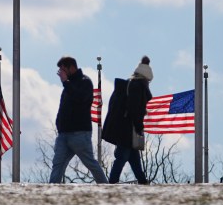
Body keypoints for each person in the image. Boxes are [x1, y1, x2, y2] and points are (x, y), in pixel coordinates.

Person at [48, 56, 109, 184]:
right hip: (64, 134)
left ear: (71, 67)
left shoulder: (85, 82)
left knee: (91, 164)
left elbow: (80, 99)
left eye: (63, 69)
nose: (61, 73)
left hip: (80, 134)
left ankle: (106, 188)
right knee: (57, 164)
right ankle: (51, 192)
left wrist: (66, 82)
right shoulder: (68, 86)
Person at [102, 56, 153, 184]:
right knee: (122, 156)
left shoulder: (130, 84)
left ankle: (142, 181)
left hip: (124, 127)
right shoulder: (138, 86)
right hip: (127, 129)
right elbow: (134, 109)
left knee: (133, 158)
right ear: (146, 78)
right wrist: (139, 126)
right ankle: (112, 183)